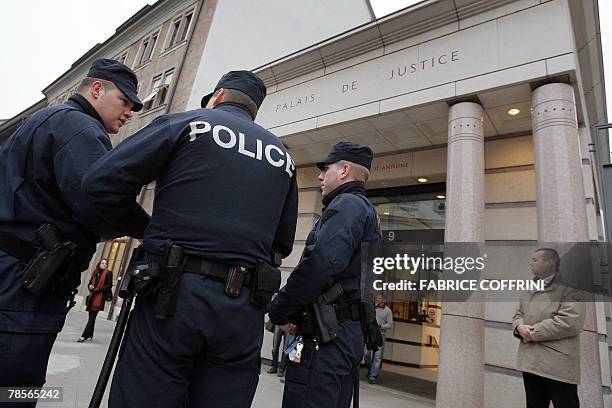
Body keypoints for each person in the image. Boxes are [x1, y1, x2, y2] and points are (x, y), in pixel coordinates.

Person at [82, 70, 298, 408]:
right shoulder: (282, 158)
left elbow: (100, 182)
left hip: (174, 296)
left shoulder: (187, 123)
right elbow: (282, 243)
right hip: (242, 309)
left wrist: (145, 228)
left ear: (217, 97)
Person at [0, 59, 146, 397]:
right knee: (14, 390)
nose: (129, 113)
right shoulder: (80, 128)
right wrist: (147, 227)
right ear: (97, 89)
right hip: (25, 285)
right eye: (125, 102)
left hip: (15, 270)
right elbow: (99, 199)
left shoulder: (44, 120)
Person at [269, 141, 381, 408]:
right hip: (342, 337)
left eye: (326, 169)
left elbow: (320, 265)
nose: (320, 176)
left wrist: (280, 310)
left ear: (344, 170)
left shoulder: (347, 206)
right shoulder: (366, 210)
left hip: (327, 341)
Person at [512, 248, 585, 408]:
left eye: (535, 260)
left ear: (550, 263)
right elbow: (518, 315)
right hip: (531, 363)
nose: (531, 263)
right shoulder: (530, 287)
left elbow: (570, 322)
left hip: (557, 366)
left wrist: (532, 333)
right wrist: (519, 328)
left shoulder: (570, 287)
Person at [78, 258, 113, 342]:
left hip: (99, 298)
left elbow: (109, 285)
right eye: (102, 263)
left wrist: (99, 289)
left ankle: (84, 336)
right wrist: (90, 286)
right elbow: (90, 283)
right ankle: (90, 334)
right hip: (92, 297)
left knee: (92, 317)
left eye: (105, 263)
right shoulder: (95, 272)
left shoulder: (108, 273)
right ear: (99, 264)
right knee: (91, 317)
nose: (104, 265)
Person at [365, 295, 393, 384]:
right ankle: (370, 370)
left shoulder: (388, 311)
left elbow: (390, 325)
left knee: (377, 356)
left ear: (384, 300)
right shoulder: (372, 307)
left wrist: (381, 326)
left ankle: (372, 376)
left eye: (379, 298)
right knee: (366, 354)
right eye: (376, 298)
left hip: (381, 334)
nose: (377, 299)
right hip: (370, 333)